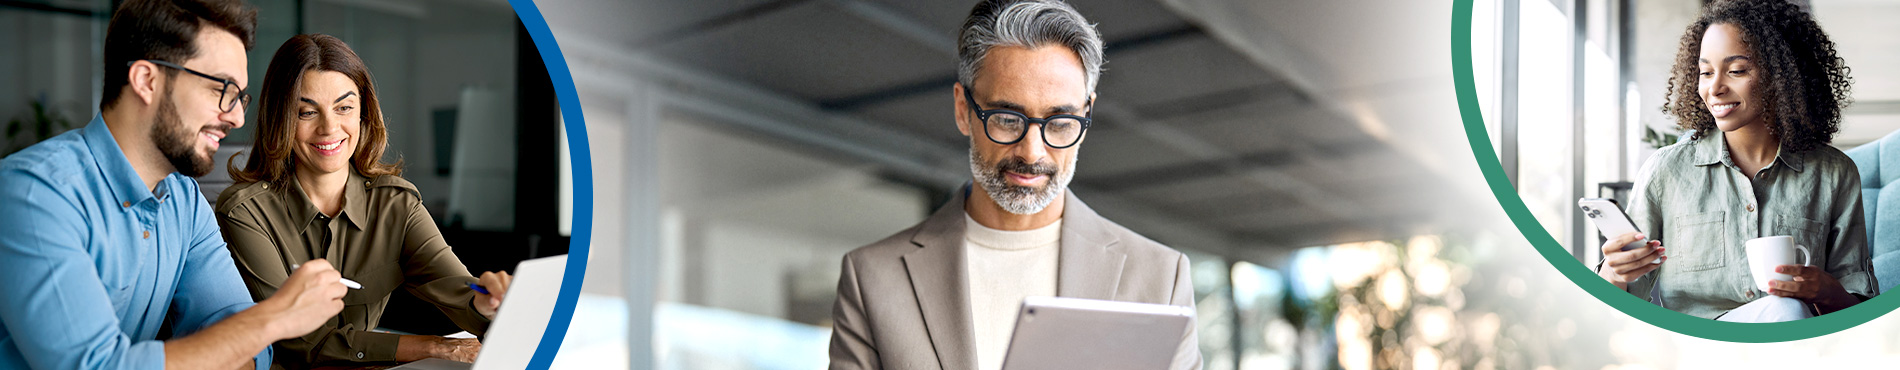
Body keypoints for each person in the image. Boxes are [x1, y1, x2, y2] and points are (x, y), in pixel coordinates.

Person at [827, 1, 1200, 369]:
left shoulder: (1160, 279)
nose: (1032, 152)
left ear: (1086, 115)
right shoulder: (873, 279)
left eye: (1060, 123)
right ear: (963, 110)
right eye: (1007, 118)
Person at [0, 1, 352, 369]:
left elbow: (245, 344)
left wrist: (246, 336)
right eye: (223, 89)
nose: (236, 116)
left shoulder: (184, 200)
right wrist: (274, 319)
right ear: (147, 81)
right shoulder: (33, 195)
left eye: (240, 96)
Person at [214, 34, 513, 369]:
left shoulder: (396, 203)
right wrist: (433, 346)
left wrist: (487, 305)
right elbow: (299, 343)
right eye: (306, 112)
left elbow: (457, 288)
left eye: (344, 108)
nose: (329, 128)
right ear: (280, 119)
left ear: (363, 114)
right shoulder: (244, 212)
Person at [1597, 0, 1874, 322]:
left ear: (1782, 74)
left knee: (1786, 308)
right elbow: (1618, 310)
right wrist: (1615, 273)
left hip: (1797, 343)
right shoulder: (1666, 171)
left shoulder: (1834, 173)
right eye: (1705, 72)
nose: (1714, 88)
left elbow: (1862, 315)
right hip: (1697, 348)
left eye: (1737, 70)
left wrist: (1824, 290)